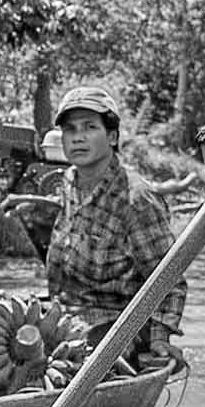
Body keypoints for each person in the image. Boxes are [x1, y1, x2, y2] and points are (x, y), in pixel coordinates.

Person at [43, 84, 183, 363]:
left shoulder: (136, 200)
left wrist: (159, 338)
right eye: (70, 129)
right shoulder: (70, 181)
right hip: (68, 315)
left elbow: (169, 279)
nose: (78, 137)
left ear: (112, 136)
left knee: (69, 356)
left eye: (89, 127)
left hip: (115, 328)